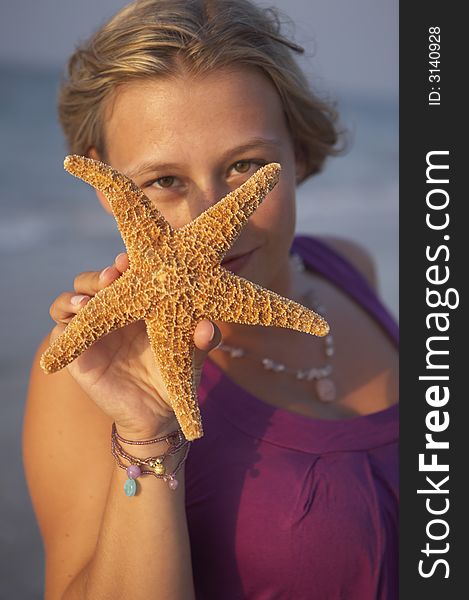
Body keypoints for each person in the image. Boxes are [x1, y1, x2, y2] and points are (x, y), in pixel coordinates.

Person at [23, 1, 399, 598]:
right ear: (108, 188)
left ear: (297, 152)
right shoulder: (88, 366)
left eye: (245, 166)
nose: (207, 219)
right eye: (163, 181)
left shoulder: (351, 267)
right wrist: (147, 432)